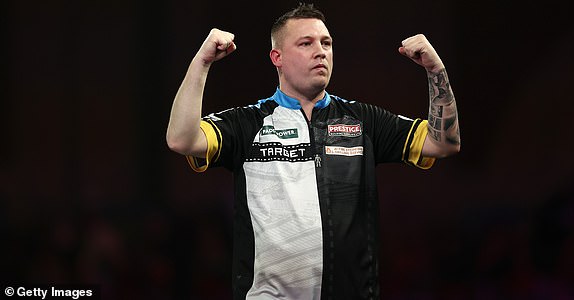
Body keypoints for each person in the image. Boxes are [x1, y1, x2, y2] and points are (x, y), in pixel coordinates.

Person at [166, 3, 460, 300]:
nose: (320, 51)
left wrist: (436, 70)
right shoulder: (246, 123)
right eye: (306, 43)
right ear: (277, 57)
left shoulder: (362, 120)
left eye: (326, 43)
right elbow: (181, 139)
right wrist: (202, 62)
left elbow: (442, 144)